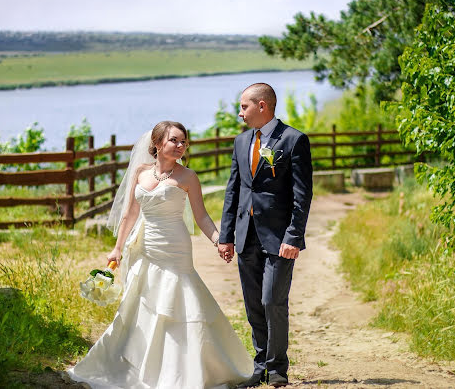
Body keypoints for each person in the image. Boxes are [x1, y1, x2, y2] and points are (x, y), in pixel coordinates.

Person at [67, 121, 253, 389]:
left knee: (178, 302)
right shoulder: (141, 172)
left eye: (183, 142)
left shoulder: (188, 177)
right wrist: (117, 248)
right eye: (174, 141)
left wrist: (219, 240)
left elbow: (201, 216)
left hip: (175, 248)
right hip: (145, 247)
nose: (180, 146)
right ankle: (139, 364)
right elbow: (130, 214)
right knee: (140, 302)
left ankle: (186, 370)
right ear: (157, 144)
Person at [218, 83, 313, 388]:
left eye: (244, 106)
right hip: (246, 236)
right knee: (253, 305)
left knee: (273, 300)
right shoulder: (241, 141)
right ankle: (260, 366)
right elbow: (234, 191)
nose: (239, 113)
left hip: (279, 237)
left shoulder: (294, 140)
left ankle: (278, 368)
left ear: (262, 106)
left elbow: (302, 195)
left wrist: (294, 236)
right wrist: (226, 235)